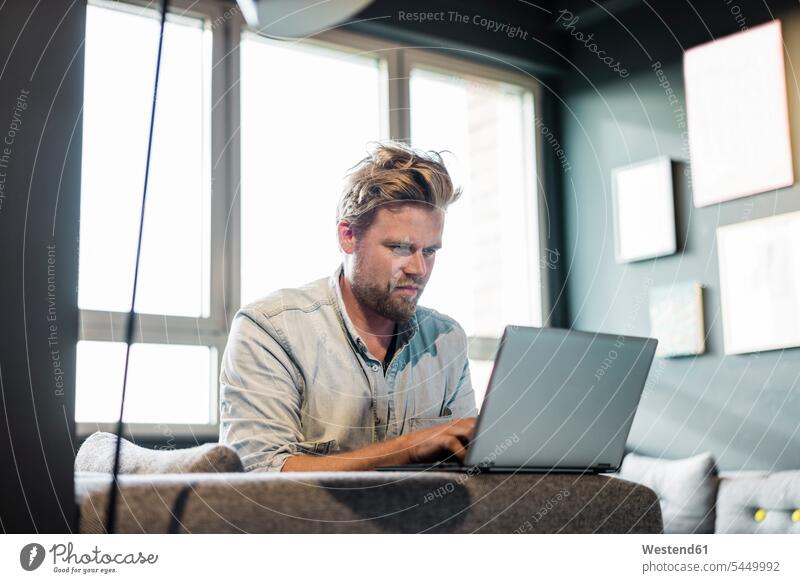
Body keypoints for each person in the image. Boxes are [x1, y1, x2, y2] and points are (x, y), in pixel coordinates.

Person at [219, 142, 477, 471]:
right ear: (347, 237)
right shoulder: (270, 331)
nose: (419, 269)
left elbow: (466, 470)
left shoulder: (447, 340)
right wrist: (409, 448)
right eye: (400, 247)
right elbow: (260, 476)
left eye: (430, 251)